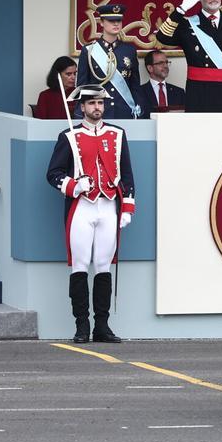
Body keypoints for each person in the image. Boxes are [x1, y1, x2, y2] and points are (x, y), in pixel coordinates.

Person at [45, 85, 134, 343]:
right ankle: (82, 326)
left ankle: (102, 326)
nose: (97, 108)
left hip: (108, 207)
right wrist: (74, 185)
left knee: (104, 267)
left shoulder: (118, 135)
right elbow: (52, 174)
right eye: (92, 103)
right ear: (82, 107)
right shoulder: (68, 136)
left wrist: (127, 207)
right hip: (81, 208)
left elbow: (127, 174)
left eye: (100, 103)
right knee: (80, 266)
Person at [77, 4, 143, 119]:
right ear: (101, 22)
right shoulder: (89, 50)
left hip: (124, 110)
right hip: (98, 112)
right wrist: (81, 111)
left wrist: (138, 108)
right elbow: (83, 85)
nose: (116, 24)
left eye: (119, 20)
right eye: (111, 20)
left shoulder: (129, 50)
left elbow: (135, 85)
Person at [137, 49, 185, 114]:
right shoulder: (139, 92)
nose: (165, 66)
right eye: (161, 63)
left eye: (166, 62)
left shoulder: (179, 92)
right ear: (150, 68)